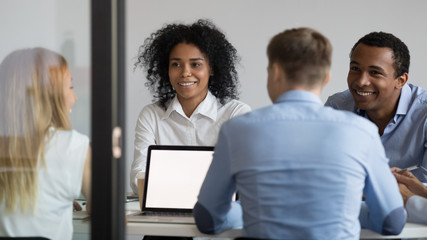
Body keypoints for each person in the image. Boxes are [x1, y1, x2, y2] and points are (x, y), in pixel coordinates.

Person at [193, 27, 406, 239]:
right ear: (326, 78)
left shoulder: (237, 129)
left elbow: (208, 219)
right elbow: (391, 221)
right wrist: (347, 213)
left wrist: (244, 212)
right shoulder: (362, 132)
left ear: (275, 72)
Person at [130, 19, 251, 194]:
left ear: (212, 69)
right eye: (176, 64)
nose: (185, 72)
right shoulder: (151, 115)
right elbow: (138, 179)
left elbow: (241, 176)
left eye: (195, 64)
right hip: (163, 211)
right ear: (167, 69)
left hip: (217, 214)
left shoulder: (236, 114)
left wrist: (169, 180)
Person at [0, 48, 91, 239]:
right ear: (51, 95)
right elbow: (111, 215)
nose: (74, 97)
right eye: (70, 88)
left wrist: (56, 199)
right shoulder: (74, 147)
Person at [325, 32, 427, 183]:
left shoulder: (423, 113)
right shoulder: (337, 108)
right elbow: (324, 174)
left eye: (375, 72)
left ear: (400, 80)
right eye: (355, 69)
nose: (361, 81)